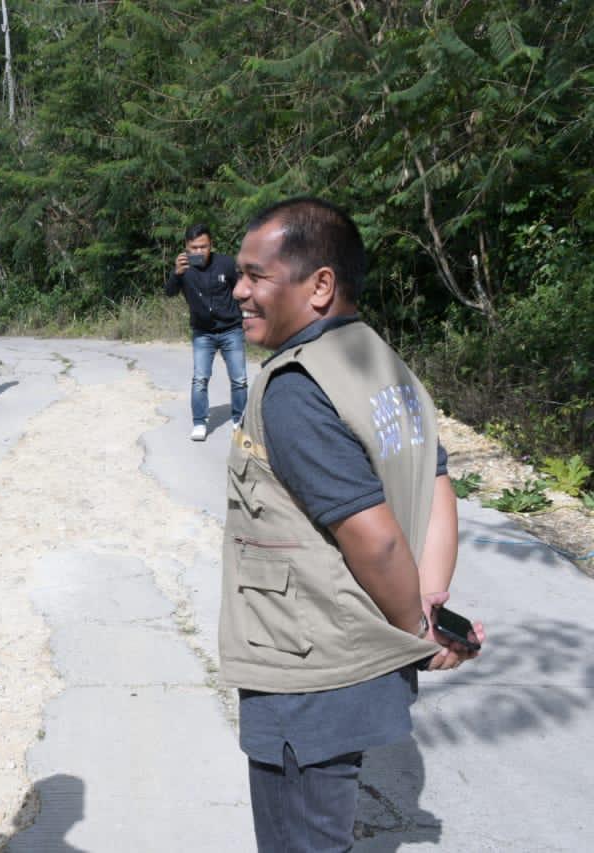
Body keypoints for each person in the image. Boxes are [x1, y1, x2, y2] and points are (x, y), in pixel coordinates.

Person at [220, 197, 485, 852]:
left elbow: (375, 535)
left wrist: (416, 629)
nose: (238, 290)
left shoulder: (296, 387)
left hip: (308, 678)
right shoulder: (379, 361)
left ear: (320, 286)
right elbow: (436, 482)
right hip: (350, 664)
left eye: (256, 275)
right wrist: (429, 594)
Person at [165, 224, 246, 441]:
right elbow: (169, 292)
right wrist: (176, 274)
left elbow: (241, 290)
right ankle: (199, 423)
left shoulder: (226, 264)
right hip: (203, 333)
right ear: (186, 247)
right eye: (194, 247)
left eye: (204, 246)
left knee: (239, 379)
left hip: (231, 329)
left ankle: (240, 420)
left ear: (211, 245)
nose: (199, 251)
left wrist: (247, 316)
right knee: (200, 379)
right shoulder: (183, 269)